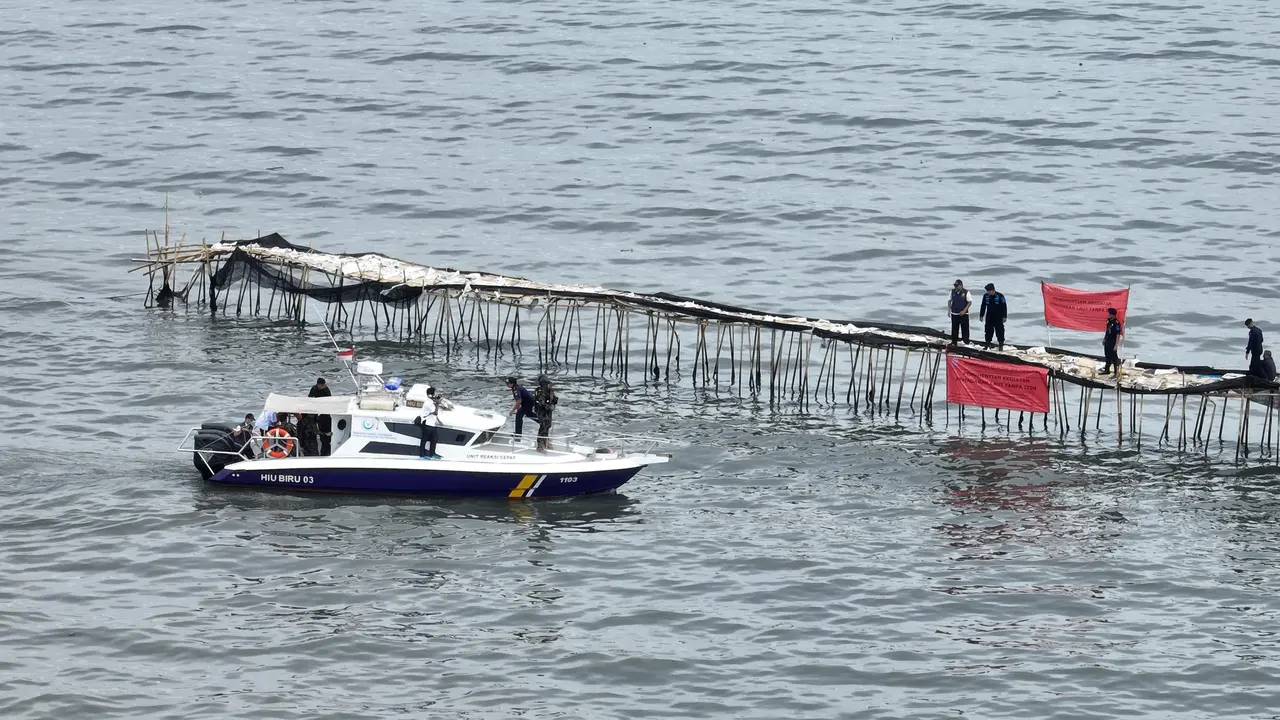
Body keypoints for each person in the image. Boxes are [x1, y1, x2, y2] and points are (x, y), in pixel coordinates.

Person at [533, 374, 558, 452]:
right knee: (543, 426)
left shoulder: (550, 391)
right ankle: (540, 444)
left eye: (547, 383)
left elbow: (554, 399)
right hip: (541, 411)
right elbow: (541, 402)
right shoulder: (539, 391)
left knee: (548, 425)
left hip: (548, 411)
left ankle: (545, 440)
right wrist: (547, 406)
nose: (546, 385)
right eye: (545, 383)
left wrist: (553, 405)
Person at [308, 377, 333, 455]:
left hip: (325, 409)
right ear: (318, 385)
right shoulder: (314, 389)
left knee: (327, 436)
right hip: (317, 409)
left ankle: (326, 449)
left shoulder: (326, 389)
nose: (323, 386)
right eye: (322, 385)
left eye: (324, 385)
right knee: (321, 429)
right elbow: (309, 398)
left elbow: (330, 399)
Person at [979, 283, 1007, 350]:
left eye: (989, 291)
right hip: (989, 316)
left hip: (998, 316)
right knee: (988, 331)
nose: (987, 292)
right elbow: (983, 305)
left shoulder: (1000, 296)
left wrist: (1004, 316)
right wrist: (981, 315)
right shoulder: (985, 296)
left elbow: (1004, 306)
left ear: (993, 290)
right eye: (987, 291)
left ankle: (1000, 345)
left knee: (1000, 331)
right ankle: (987, 344)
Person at [415, 386, 440, 459]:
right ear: (430, 395)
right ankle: (422, 455)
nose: (436, 395)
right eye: (435, 393)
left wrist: (436, 401)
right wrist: (437, 403)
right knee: (424, 440)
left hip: (432, 424)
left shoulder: (431, 401)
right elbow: (435, 412)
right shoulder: (428, 403)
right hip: (426, 424)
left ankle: (432, 454)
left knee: (434, 439)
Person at [947, 279, 971, 345]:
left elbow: (969, 302)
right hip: (954, 313)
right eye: (955, 286)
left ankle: (966, 342)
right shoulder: (952, 292)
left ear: (961, 285)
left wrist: (964, 311)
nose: (955, 287)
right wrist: (949, 310)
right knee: (954, 328)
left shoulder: (966, 292)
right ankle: (954, 342)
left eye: (957, 286)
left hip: (964, 314)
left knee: (965, 329)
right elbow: (949, 301)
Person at [1101, 307, 1123, 375]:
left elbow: (1118, 335)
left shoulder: (1116, 323)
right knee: (1107, 356)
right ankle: (1107, 370)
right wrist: (1104, 339)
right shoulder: (1108, 321)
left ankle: (1116, 372)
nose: (1108, 315)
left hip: (1113, 342)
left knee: (1114, 357)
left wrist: (1116, 345)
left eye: (1109, 313)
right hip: (1107, 340)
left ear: (1113, 314)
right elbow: (1107, 331)